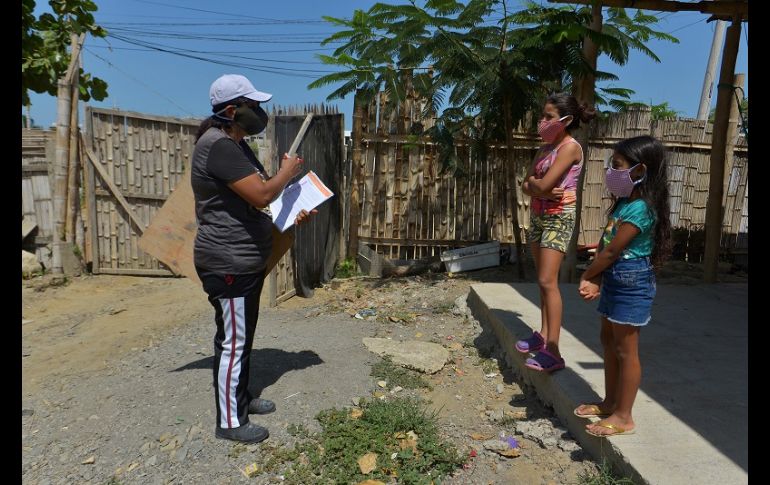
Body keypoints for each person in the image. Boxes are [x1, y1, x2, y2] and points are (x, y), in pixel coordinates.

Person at [191, 74, 315, 443]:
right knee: (232, 342)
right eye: (254, 105)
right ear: (232, 110)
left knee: (241, 338)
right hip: (227, 261)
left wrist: (293, 209)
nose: (260, 111)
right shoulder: (218, 147)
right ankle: (229, 421)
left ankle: (241, 399)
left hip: (244, 258)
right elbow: (261, 195)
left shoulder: (236, 145)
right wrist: (286, 172)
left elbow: (258, 200)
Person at [574, 135, 671, 437]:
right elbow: (607, 244)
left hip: (631, 278)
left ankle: (624, 416)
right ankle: (610, 402)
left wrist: (589, 275)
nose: (611, 172)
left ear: (640, 171)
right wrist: (600, 275)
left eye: (617, 166)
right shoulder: (624, 204)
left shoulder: (641, 208)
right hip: (615, 276)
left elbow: (614, 251)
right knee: (608, 341)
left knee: (626, 350)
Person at [516, 93, 596, 372]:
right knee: (542, 280)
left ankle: (554, 350)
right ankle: (542, 334)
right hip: (539, 215)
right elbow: (527, 185)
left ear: (567, 120)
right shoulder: (545, 148)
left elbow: (540, 183)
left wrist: (538, 186)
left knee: (549, 281)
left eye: (549, 117)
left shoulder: (570, 148)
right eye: (544, 115)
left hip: (558, 217)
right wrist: (540, 188)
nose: (543, 121)